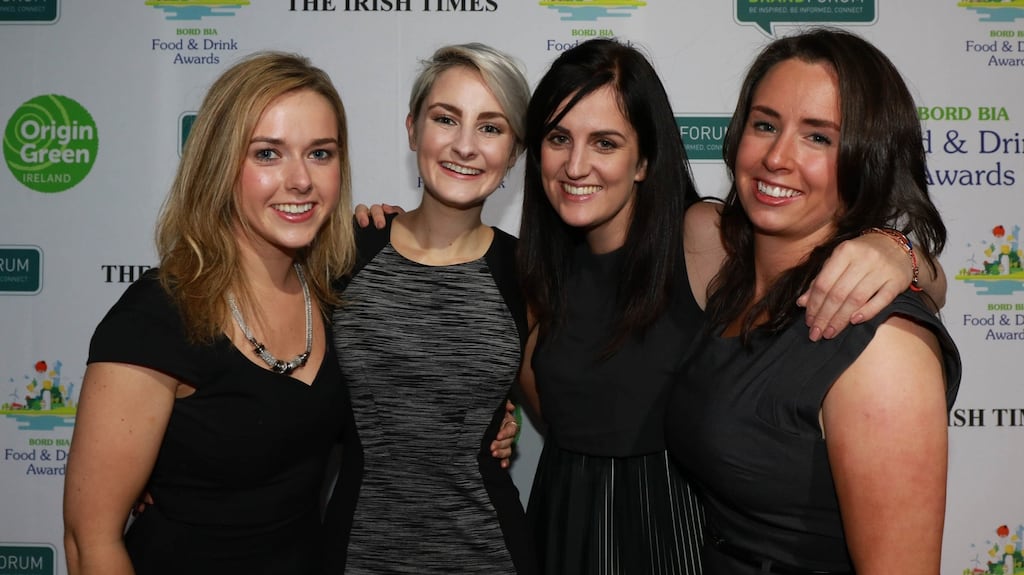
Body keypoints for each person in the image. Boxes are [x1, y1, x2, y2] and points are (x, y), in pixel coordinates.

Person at [356, 37, 946, 574]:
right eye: (559, 139)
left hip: (677, 535)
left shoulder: (703, 236)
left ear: (643, 160)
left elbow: (863, 282)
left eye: (605, 142)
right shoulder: (532, 269)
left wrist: (896, 250)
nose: (577, 165)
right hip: (562, 523)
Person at [665, 28, 961, 573]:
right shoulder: (730, 267)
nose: (778, 157)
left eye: (819, 137)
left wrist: (899, 248)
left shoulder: (882, 349)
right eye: (765, 125)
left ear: (865, 158)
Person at [63, 51, 357, 575]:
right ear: (220, 164)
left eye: (320, 153)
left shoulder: (337, 296)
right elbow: (91, 542)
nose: (300, 180)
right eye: (268, 154)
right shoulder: (157, 317)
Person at [321, 43, 537, 574]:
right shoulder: (343, 251)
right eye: (446, 119)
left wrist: (501, 421)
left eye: (491, 127)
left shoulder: (530, 273)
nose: (465, 146)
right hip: (355, 555)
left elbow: (569, 413)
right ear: (413, 128)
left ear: (513, 152)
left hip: (490, 555)